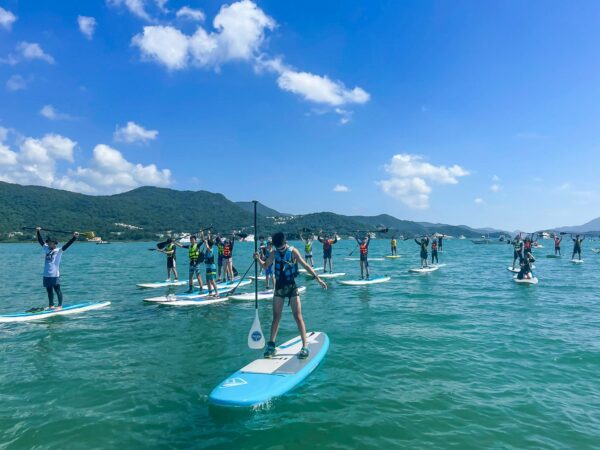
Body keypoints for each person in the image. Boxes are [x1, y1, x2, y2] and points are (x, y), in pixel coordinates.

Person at [255, 231, 327, 359]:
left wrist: (318, 278)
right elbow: (266, 266)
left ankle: (305, 346)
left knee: (298, 317)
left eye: (282, 247)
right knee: (276, 317)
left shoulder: (293, 251)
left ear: (285, 243)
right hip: (279, 288)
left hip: (292, 287)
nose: (280, 250)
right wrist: (258, 259)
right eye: (278, 248)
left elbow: (305, 265)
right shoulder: (274, 253)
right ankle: (271, 346)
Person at [36, 227, 79, 310]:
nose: (48, 244)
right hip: (46, 274)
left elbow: (67, 245)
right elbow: (40, 241)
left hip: (54, 275)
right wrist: (38, 232)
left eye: (50, 243)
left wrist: (74, 237)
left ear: (54, 243)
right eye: (48, 243)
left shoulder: (59, 250)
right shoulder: (46, 249)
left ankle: (59, 306)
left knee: (57, 290)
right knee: (49, 291)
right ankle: (51, 305)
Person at [201, 232, 220, 297]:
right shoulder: (209, 247)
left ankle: (217, 292)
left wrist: (206, 243)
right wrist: (204, 233)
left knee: (212, 280)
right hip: (208, 267)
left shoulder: (210, 249)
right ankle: (210, 293)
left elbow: (208, 246)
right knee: (207, 280)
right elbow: (207, 240)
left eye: (207, 244)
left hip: (212, 267)